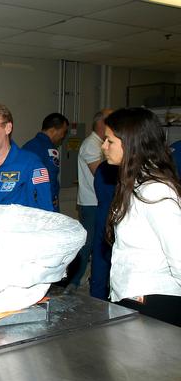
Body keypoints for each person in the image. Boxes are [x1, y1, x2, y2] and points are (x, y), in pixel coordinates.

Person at [103, 107, 181, 327]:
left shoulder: (156, 191)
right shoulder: (134, 184)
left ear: (130, 144)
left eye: (109, 141)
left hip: (154, 301)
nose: (104, 147)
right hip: (131, 295)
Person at [64, 108, 113, 293]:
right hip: (92, 203)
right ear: (103, 123)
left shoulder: (99, 143)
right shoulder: (91, 145)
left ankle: (83, 281)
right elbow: (100, 175)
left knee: (97, 245)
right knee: (89, 244)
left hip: (99, 202)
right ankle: (74, 282)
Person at [22, 113, 69, 211]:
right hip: (44, 203)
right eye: (63, 132)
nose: (63, 136)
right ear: (53, 130)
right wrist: (51, 199)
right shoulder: (50, 151)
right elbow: (50, 177)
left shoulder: (27, 146)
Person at [89, 161, 117, 300]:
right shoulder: (126, 169)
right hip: (114, 215)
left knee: (100, 257)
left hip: (103, 213)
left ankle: (96, 297)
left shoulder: (102, 167)